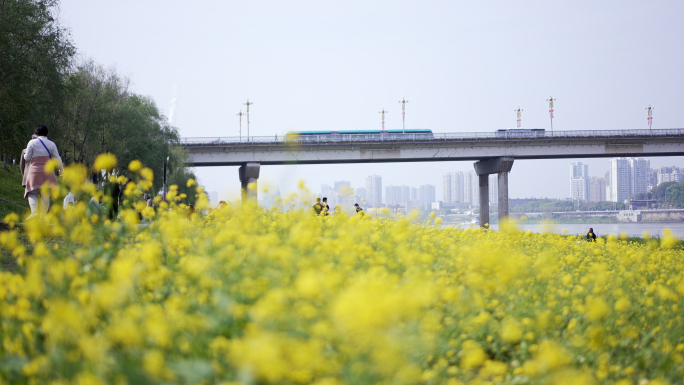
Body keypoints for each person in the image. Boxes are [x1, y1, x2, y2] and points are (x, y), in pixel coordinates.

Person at [23, 125, 63, 218]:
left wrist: (26, 153)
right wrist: (62, 170)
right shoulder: (51, 144)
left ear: (36, 133)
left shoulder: (32, 142)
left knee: (32, 193)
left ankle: (34, 212)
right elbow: (57, 159)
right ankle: (43, 217)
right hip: (47, 172)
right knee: (46, 194)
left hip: (35, 171)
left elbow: (27, 158)